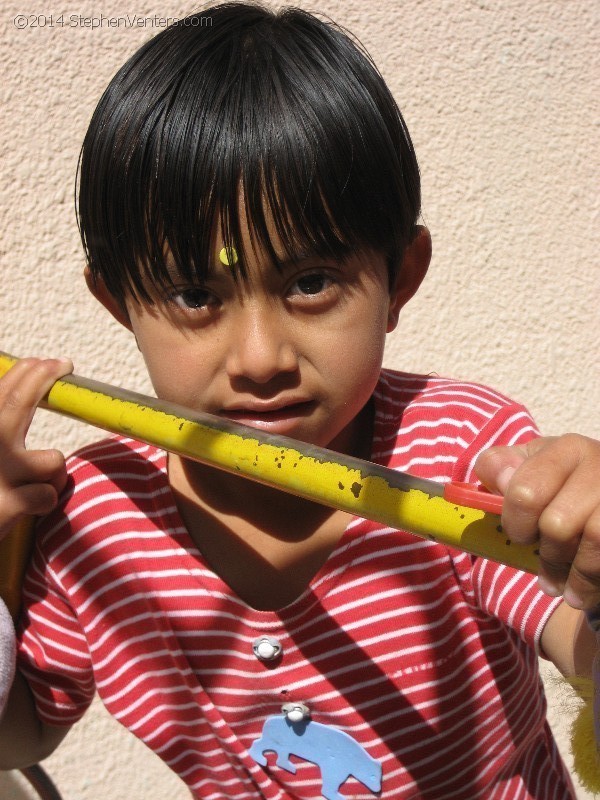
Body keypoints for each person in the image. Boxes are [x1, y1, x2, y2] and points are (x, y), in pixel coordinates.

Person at [0, 4, 599, 798]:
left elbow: (575, 644)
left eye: (310, 283)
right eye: (191, 293)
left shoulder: (459, 446)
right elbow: (22, 733)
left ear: (400, 279)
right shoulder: (91, 518)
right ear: (119, 305)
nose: (259, 359)